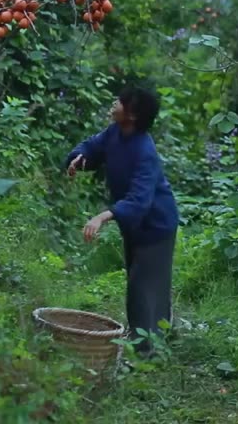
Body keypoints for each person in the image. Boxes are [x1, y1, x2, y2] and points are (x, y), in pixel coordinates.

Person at [64, 85, 179, 356]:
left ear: (133, 115)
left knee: (142, 287)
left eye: (120, 102)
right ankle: (161, 336)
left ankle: (144, 353)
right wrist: (79, 158)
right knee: (148, 283)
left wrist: (103, 216)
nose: (114, 103)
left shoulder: (144, 151)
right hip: (135, 227)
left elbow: (140, 200)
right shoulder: (115, 133)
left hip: (156, 226)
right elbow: (92, 147)